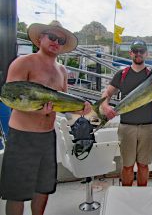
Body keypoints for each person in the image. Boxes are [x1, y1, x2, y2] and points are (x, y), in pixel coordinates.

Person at [0, 20, 91, 215]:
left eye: (60, 39)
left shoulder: (62, 71)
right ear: (40, 38)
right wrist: (36, 110)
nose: (56, 42)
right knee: (16, 193)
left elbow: (64, 105)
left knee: (43, 189)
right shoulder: (23, 62)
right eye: (52, 36)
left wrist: (82, 110)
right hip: (22, 137)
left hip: (48, 137)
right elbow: (10, 96)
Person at [101, 39, 152, 186]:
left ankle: (141, 196)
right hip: (126, 127)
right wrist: (105, 106)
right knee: (127, 166)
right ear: (130, 53)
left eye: (141, 51)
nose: (138, 53)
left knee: (143, 165)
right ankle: (127, 195)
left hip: (147, 127)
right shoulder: (122, 74)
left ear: (146, 53)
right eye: (135, 51)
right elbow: (107, 93)